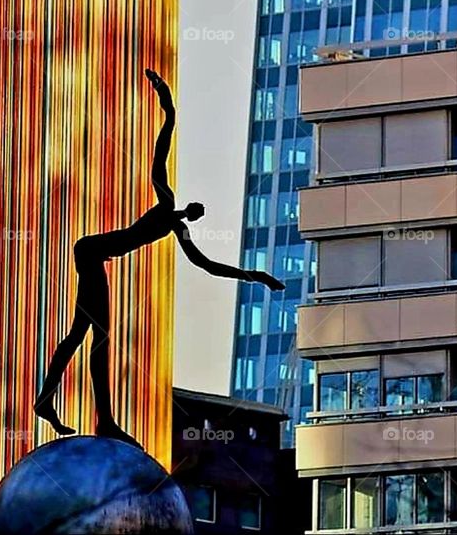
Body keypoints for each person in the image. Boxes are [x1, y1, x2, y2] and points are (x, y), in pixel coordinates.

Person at [34, 68, 284, 446]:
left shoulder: (176, 228)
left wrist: (256, 276)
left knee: (84, 334)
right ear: (190, 207)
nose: (195, 212)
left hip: (94, 256)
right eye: (196, 208)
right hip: (91, 251)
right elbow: (161, 152)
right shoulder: (166, 204)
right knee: (96, 336)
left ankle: (54, 403)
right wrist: (167, 105)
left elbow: (207, 266)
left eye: (198, 213)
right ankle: (99, 418)